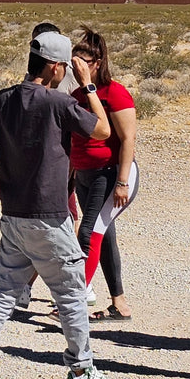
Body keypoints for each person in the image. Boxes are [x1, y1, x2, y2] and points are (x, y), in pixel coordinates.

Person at [0, 31, 123, 379]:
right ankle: (81, 371)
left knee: (3, 291)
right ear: (55, 66)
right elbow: (101, 129)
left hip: (14, 215)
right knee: (70, 294)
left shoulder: (1, 101)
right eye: (64, 67)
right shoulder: (56, 102)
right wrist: (89, 88)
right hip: (50, 217)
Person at [68, 27, 138, 322]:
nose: (76, 68)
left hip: (110, 175)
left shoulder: (115, 93)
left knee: (88, 233)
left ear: (96, 63)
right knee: (103, 234)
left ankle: (73, 300)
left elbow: (128, 139)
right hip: (84, 174)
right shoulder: (76, 95)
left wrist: (122, 181)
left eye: (82, 62)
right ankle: (119, 304)